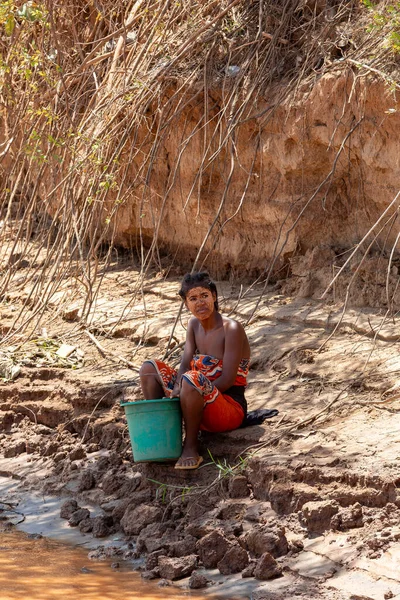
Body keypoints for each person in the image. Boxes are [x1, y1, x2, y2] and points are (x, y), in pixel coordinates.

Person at [139, 271, 251, 470]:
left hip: (228, 408)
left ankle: (191, 447)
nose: (200, 303)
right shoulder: (193, 325)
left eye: (204, 296)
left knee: (192, 380)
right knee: (149, 369)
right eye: (193, 298)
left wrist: (190, 392)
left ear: (214, 297)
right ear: (186, 304)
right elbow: (184, 364)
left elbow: (226, 380)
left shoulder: (231, 328)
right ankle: (164, 439)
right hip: (194, 399)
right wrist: (177, 392)